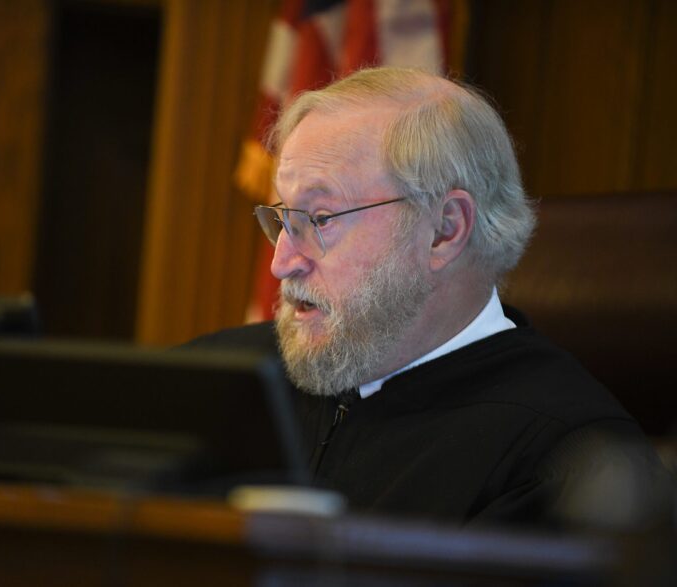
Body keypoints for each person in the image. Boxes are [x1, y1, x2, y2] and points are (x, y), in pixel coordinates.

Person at [186, 67, 671, 528]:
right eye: (282, 217)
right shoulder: (211, 380)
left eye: (321, 218)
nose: (282, 262)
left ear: (444, 229)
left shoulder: (563, 461)